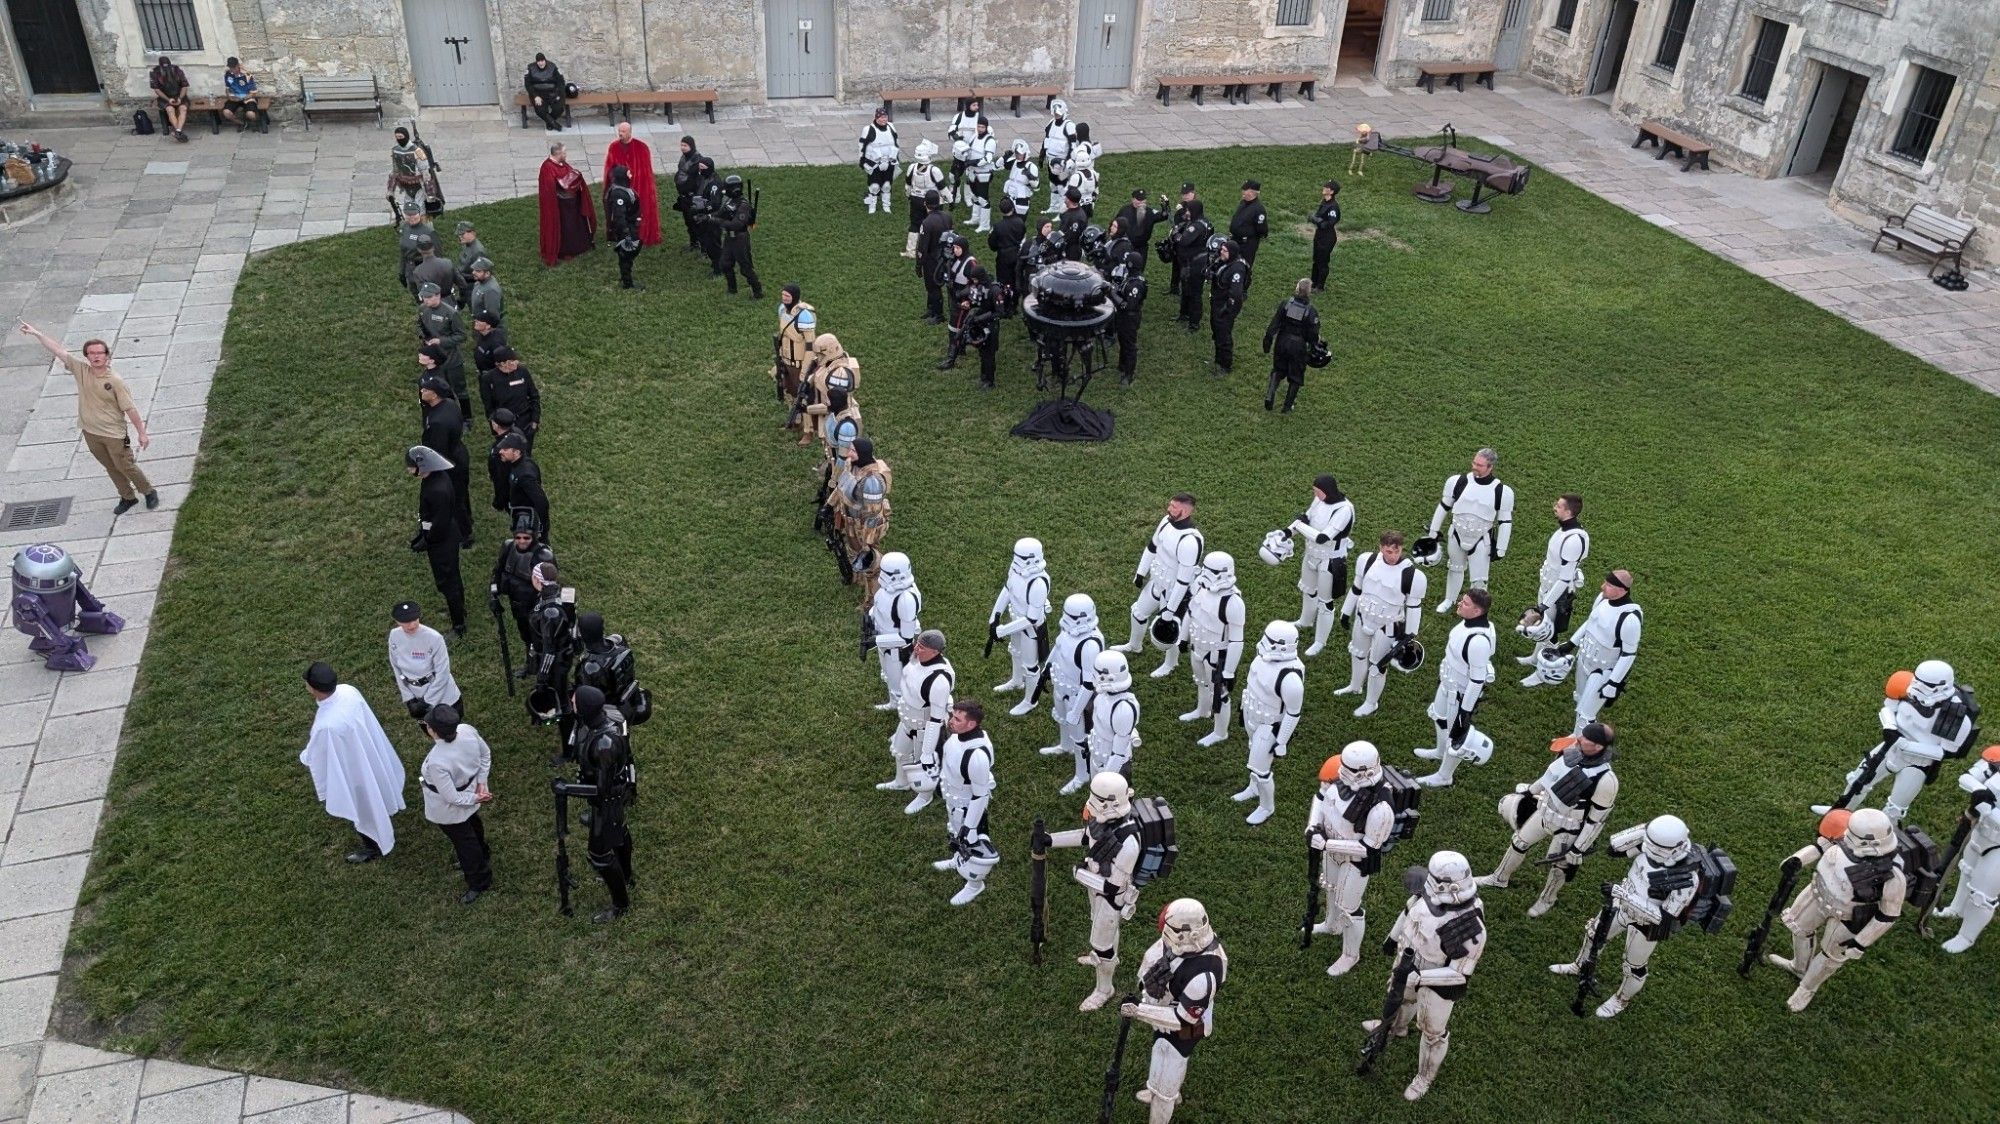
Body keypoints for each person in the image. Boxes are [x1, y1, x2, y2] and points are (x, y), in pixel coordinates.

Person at [1549, 814, 1701, 1017]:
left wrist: (1624, 894)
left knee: (1633, 966)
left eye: (1657, 847)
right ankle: (1579, 966)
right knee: (1593, 934)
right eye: (1649, 842)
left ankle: (1622, 999)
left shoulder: (1687, 877)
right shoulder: (1649, 849)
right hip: (1620, 904)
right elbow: (1613, 848)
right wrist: (1645, 830)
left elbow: (1665, 917)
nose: (1650, 849)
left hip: (1646, 923)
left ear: (1676, 848)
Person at [1370, 851, 1488, 1102]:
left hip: (1437, 978)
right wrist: (1392, 939)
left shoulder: (1470, 926)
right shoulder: (1428, 891)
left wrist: (1421, 977)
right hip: (1409, 959)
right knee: (1400, 997)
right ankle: (1396, 1028)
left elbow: (1459, 973)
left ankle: (1424, 1077)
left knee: (1433, 1032)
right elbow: (1408, 912)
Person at [1766, 807, 1906, 1011]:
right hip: (1818, 893)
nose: (1846, 838)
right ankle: (1799, 966)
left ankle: (1806, 989)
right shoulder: (1849, 835)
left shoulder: (1893, 875)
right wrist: (1797, 860)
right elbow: (1820, 845)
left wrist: (1861, 942)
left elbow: (1887, 915)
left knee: (1831, 955)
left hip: (1849, 915)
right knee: (1799, 929)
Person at [1476, 722, 1621, 917]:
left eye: (1585, 738)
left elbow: (1596, 820)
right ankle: (1499, 878)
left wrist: (1578, 848)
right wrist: (1528, 793)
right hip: (1544, 812)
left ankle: (1547, 899)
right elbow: (1548, 778)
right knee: (1519, 842)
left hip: (1569, 828)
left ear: (1598, 747)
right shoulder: (1570, 751)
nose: (1579, 739)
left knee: (1559, 866)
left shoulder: (1606, 780)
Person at [1812, 660, 1979, 823]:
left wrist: (1906, 745)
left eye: (1925, 685)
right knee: (1858, 780)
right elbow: (1888, 708)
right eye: (1917, 681)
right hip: (1891, 746)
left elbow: (1945, 752)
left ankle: (1881, 837)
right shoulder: (1906, 686)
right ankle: (1838, 813)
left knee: (1895, 808)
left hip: (1918, 762)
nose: (1917, 688)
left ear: (1942, 687)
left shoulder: (1957, 716)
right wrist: (1890, 726)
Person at [17, 324, 156, 514]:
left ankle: (148, 491)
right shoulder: (81, 370)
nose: (96, 356)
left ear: (107, 356)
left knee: (126, 466)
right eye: (92, 353)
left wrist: (142, 433)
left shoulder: (115, 381)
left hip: (113, 434)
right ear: (87, 356)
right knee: (110, 467)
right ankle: (127, 497)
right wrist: (37, 334)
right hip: (90, 432)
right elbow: (58, 350)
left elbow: (130, 408)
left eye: (100, 353)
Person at [1036, 772, 1144, 1011]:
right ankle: (1106, 958)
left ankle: (1105, 988)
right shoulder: (1104, 820)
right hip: (1095, 886)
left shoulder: (1129, 842)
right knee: (1099, 926)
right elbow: (1087, 837)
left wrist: (1080, 874)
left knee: (1101, 942)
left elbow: (1114, 885)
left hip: (1111, 897)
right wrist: (1050, 840)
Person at [1121, 898, 1228, 1124]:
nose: (1164, 940)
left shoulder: (1204, 975)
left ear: (1189, 934)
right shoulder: (1179, 944)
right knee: (1159, 1049)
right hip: (1165, 1012)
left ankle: (1165, 1096)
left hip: (1186, 1026)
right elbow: (1155, 958)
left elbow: (1184, 1019)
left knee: (1169, 1060)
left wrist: (1139, 1011)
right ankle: (1158, 1088)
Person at [299, 662, 406, 864]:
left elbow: (318, 755)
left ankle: (373, 845)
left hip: (354, 768)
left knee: (364, 806)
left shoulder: (326, 725)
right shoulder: (348, 690)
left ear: (313, 689)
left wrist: (305, 756)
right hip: (367, 750)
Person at [1306, 742, 1398, 977]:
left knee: (1349, 907)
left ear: (1365, 772)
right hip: (1330, 848)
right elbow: (1320, 797)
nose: (1341, 774)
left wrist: (1327, 844)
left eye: (1347, 771)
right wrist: (1313, 827)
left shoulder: (1381, 807)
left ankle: (1350, 955)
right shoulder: (1341, 775)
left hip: (1355, 861)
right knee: (1329, 888)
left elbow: (1369, 847)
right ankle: (1330, 924)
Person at [1524, 570, 1642, 737]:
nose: (1603, 587)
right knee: (1580, 698)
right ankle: (1576, 735)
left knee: (1587, 713)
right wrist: (1571, 643)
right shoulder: (1602, 599)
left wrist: (1614, 683)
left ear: (1622, 590)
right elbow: (1591, 621)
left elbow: (1628, 654)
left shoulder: (1630, 619)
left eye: (1608, 585)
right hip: (1584, 658)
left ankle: (1583, 744)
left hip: (1603, 670)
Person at [565, 685, 637, 922]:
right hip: (612, 798)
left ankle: (620, 904)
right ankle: (626, 875)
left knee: (599, 855)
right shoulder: (604, 721)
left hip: (608, 802)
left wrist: (566, 789)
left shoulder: (604, 744)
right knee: (619, 831)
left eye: (575, 702)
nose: (572, 704)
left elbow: (601, 790)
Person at [1336, 531, 1427, 718]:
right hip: (1363, 617)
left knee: (1378, 666)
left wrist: (1409, 635)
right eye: (1388, 551)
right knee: (1358, 653)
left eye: (1396, 551)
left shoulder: (1413, 575)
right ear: (1380, 547)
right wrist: (1345, 611)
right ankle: (1355, 686)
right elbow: (1356, 588)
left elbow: (1414, 606)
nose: (1392, 555)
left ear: (1401, 548)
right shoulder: (1366, 560)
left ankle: (1371, 703)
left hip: (1388, 626)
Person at [1412, 590, 1497, 788]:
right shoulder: (1468, 624)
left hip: (1460, 693)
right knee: (1438, 715)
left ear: (1477, 610)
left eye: (1465, 603)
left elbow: (1477, 680)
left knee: (1456, 735)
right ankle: (1440, 751)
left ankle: (1444, 776)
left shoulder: (1478, 641)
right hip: (1448, 683)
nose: (1459, 604)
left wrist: (1465, 713)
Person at [1117, 494, 1203, 677]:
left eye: (1174, 506)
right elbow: (1152, 547)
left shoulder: (1190, 541)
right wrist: (1140, 572)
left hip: (1174, 591)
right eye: (1170, 505)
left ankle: (1171, 662)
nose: (1169, 509)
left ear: (1186, 510)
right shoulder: (1165, 522)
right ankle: (1135, 645)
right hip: (1156, 581)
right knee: (1138, 612)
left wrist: (1170, 610)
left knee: (1170, 628)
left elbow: (1183, 580)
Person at [417, 703, 493, 904]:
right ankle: (483, 852)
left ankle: (479, 880)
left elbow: (451, 798)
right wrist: (481, 784)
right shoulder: (467, 730)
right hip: (471, 790)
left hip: (450, 808)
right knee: (474, 825)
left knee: (464, 842)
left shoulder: (436, 761)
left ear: (433, 731)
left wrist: (476, 797)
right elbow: (485, 755)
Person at [1231, 621, 1305, 825]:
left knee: (1260, 769)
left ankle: (1266, 806)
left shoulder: (1290, 678)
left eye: (1270, 640)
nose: (1264, 643)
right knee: (1251, 751)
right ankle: (1253, 788)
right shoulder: (1263, 659)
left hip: (1270, 724)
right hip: (1252, 714)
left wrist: (1281, 741)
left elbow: (1293, 713)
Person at [1426, 448, 1516, 613]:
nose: (1475, 466)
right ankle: (1449, 600)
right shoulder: (1457, 481)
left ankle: (1477, 609)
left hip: (1481, 538)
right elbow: (1444, 506)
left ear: (1490, 467)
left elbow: (1505, 521)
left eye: (1480, 465)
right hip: (1457, 534)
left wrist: (1501, 548)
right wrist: (1433, 532)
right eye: (1474, 462)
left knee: (1480, 579)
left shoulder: (1502, 491)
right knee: (1455, 568)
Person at [878, 629, 954, 814]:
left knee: (923, 765)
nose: (916, 649)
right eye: (917, 644)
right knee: (900, 752)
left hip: (924, 727)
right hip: (907, 719)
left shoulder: (939, 680)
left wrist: (928, 752)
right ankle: (901, 782)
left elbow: (935, 720)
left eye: (922, 647)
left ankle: (924, 796)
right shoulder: (917, 658)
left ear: (936, 652)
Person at [1279, 474, 1355, 657]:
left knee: (1325, 602)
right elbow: (1306, 518)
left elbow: (1323, 537)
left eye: (1318, 491)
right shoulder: (1319, 501)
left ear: (1327, 491)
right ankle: (1305, 621)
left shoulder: (1344, 510)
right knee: (1308, 589)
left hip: (1330, 559)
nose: (1316, 494)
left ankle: (1320, 641)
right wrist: (1285, 533)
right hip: (1311, 554)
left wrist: (1298, 526)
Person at [1933, 748, 2000, 952]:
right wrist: (1979, 791)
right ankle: (1956, 908)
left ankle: (1966, 936)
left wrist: (1988, 810)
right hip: (1979, 831)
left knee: (1982, 894)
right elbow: (1967, 777)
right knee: (1967, 870)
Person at [1040, 594, 1107, 793]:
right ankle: (1064, 745)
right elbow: (1059, 647)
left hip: (1078, 694)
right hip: (1061, 685)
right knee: (1061, 719)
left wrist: (1077, 710)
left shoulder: (1090, 644)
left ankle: (1082, 773)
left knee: (1080, 737)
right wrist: (1046, 670)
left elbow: (1089, 683)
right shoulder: (1069, 632)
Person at [933, 700, 998, 905]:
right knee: (954, 830)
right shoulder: (957, 737)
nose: (951, 721)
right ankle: (956, 859)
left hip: (969, 806)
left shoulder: (977, 756)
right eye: (952, 716)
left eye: (957, 719)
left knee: (972, 842)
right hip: (954, 799)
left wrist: (970, 827)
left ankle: (975, 885)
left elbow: (981, 795)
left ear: (971, 725)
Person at [1179, 552, 1246, 749]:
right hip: (1197, 646)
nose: (1207, 574)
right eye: (1206, 569)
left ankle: (1220, 732)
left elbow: (1236, 639)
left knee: (1219, 693)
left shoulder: (1233, 602)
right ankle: (1202, 710)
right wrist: (1183, 638)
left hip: (1216, 653)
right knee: (1201, 682)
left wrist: (1230, 670)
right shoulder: (1200, 588)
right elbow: (1190, 613)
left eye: (1213, 571)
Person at [1516, 494, 1589, 662]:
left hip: (1557, 592)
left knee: (1549, 628)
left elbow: (1564, 579)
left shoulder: (1573, 540)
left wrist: (1545, 604)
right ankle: (1536, 658)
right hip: (1548, 585)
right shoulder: (1564, 530)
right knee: (1545, 625)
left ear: (1569, 511)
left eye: (1559, 505)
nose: (1554, 507)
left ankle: (1547, 665)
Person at [407, 446, 467, 637]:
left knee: (448, 582)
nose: (408, 469)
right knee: (452, 580)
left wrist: (428, 540)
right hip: (444, 536)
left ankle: (459, 624)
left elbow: (438, 524)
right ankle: (458, 610)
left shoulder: (437, 489)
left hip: (442, 543)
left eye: (410, 466)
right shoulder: (436, 479)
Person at [988, 538, 1051, 712]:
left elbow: (1031, 618)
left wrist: (1003, 630)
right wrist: (994, 616)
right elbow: (1008, 589)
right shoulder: (1016, 569)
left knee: (1030, 666)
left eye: (1022, 558)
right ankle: (1016, 681)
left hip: (1031, 629)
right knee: (1014, 651)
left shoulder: (1038, 582)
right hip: (1015, 619)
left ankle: (1031, 700)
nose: (1017, 562)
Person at [417, 376, 473, 546]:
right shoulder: (449, 404)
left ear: (434, 395)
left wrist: (427, 469)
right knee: (461, 495)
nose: (421, 392)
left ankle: (465, 534)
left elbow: (437, 451)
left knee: (453, 500)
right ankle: (467, 522)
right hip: (458, 454)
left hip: (448, 463)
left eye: (425, 390)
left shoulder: (437, 422)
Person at [866, 552, 923, 712]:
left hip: (896, 649)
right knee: (887, 675)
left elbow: (906, 637)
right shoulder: (887, 590)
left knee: (898, 684)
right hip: (883, 640)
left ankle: (902, 715)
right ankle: (893, 702)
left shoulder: (906, 599)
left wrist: (875, 641)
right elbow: (879, 607)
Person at [491, 513, 554, 656]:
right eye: (518, 537)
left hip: (535, 609)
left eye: (526, 538)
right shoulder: (508, 547)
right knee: (525, 636)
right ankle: (530, 661)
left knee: (540, 639)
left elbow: (551, 588)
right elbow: (497, 573)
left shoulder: (543, 556)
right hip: (517, 604)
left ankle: (542, 666)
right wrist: (493, 596)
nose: (521, 541)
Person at [839, 436, 894, 601]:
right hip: (852, 521)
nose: (848, 453)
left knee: (870, 563)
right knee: (852, 551)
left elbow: (872, 513)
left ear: (862, 453)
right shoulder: (856, 466)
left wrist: (867, 542)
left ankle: (871, 600)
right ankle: (857, 578)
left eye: (853, 451)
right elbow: (840, 486)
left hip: (866, 526)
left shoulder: (871, 482)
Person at [388, 600, 460, 725]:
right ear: (397, 622)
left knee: (452, 731)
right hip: (416, 696)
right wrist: (409, 699)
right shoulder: (394, 636)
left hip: (442, 696)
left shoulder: (434, 638)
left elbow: (443, 673)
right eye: (406, 622)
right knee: (430, 731)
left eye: (414, 619)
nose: (411, 625)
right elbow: (397, 669)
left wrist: (427, 702)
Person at [1074, 649, 1140, 780]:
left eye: (1097, 674)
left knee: (1112, 797)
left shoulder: (1123, 709)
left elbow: (1118, 753)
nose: (1094, 677)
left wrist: (1106, 778)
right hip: (1097, 752)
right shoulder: (1103, 696)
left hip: (1113, 764)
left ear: (1108, 678)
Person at [1260, 279, 1319, 411]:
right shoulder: (1311, 311)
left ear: (1297, 289)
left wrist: (1267, 342)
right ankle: (1287, 406)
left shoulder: (1285, 304)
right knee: (1296, 376)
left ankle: (1270, 395)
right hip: (1298, 346)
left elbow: (1273, 325)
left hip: (1282, 341)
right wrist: (1313, 347)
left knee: (1278, 369)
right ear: (1309, 292)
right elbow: (1313, 334)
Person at [602, 120, 662, 245]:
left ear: (630, 132)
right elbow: (610, 168)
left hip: (637, 187)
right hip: (619, 187)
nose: (620, 134)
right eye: (619, 131)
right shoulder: (614, 147)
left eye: (623, 131)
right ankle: (621, 235)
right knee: (620, 213)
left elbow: (645, 172)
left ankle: (639, 234)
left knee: (637, 212)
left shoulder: (642, 148)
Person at [538, 143, 596, 266]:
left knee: (575, 226)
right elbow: (550, 190)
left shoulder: (562, 163)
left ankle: (579, 247)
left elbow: (569, 173)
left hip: (572, 204)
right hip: (560, 208)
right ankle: (565, 251)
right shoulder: (547, 168)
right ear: (558, 154)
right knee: (566, 229)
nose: (566, 155)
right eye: (564, 153)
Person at [415, 287, 469, 417]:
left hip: (451, 359)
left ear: (437, 296)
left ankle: (467, 418)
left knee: (460, 390)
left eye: (428, 297)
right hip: (434, 359)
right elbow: (419, 325)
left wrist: (440, 341)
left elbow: (461, 335)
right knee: (438, 390)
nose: (425, 300)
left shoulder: (451, 313)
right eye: (424, 297)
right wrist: (424, 336)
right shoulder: (423, 309)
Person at [774, 285, 818, 429]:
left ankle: (808, 429)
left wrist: (805, 370)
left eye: (788, 296)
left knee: (803, 396)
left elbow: (810, 346)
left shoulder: (805, 315)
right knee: (789, 391)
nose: (784, 298)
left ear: (795, 296)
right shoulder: (782, 310)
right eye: (783, 295)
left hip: (800, 363)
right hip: (786, 360)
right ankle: (795, 420)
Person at [496, 432, 550, 544]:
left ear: (516, 452)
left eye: (505, 449)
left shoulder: (525, 475)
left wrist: (542, 530)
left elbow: (541, 502)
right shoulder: (518, 464)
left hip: (527, 519)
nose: (501, 451)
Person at [715, 175, 763, 298]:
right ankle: (732, 289)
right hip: (729, 238)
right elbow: (720, 214)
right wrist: (708, 217)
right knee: (725, 264)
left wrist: (718, 222)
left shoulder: (743, 205)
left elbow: (736, 225)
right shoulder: (730, 201)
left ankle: (757, 292)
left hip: (740, 239)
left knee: (745, 268)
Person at [480, 348, 540, 444]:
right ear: (503, 364)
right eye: (512, 361)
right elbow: (488, 405)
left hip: (524, 420)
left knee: (525, 450)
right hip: (504, 424)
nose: (516, 362)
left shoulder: (522, 372)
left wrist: (535, 421)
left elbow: (534, 396)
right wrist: (495, 425)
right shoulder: (488, 379)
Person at [1208, 239, 1249, 374]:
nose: (1221, 252)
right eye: (1222, 249)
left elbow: (1236, 294)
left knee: (1223, 334)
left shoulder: (1237, 268)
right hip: (1217, 300)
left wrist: (1228, 309)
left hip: (1225, 306)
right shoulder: (1226, 261)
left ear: (1231, 253)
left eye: (1225, 251)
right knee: (1216, 330)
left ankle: (1225, 365)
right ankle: (1218, 359)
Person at [902, 140, 947, 258]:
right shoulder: (934, 170)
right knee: (934, 224)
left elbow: (907, 185)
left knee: (915, 224)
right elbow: (943, 188)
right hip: (932, 201)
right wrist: (950, 200)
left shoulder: (911, 167)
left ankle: (910, 250)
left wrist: (909, 196)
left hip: (916, 199)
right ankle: (933, 249)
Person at [1170, 202, 1212, 330]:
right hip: (1193, 261)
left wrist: (1175, 234)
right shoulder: (1205, 222)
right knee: (1186, 289)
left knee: (1194, 293)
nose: (1186, 213)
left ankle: (1194, 323)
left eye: (1188, 210)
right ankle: (1184, 314)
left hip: (1195, 264)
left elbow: (1184, 240)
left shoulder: (1197, 226)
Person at [1109, 250, 1148, 386]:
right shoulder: (1130, 277)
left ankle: (1128, 374)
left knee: (1129, 345)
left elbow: (1129, 305)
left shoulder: (1136, 284)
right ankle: (1122, 364)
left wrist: (1114, 294)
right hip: (1123, 317)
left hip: (1130, 317)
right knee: (1122, 340)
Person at [604, 166, 645, 290]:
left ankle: (625, 276)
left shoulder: (622, 189)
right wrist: (627, 233)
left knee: (628, 253)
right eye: (628, 174)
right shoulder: (619, 195)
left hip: (631, 225)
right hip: (627, 228)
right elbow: (619, 216)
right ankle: (628, 283)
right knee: (627, 253)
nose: (631, 176)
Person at [916, 192, 953, 324]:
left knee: (932, 286)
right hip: (945, 256)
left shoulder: (927, 223)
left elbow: (922, 247)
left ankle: (938, 314)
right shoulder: (947, 216)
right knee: (934, 285)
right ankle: (931, 309)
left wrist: (919, 264)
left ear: (925, 203)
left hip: (932, 259)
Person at [987, 197, 1027, 316]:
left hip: (1003, 257)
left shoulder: (998, 226)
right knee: (1016, 280)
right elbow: (1023, 238)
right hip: (1017, 255)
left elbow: (992, 244)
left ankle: (1005, 305)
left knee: (1004, 282)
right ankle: (1014, 305)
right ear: (1013, 208)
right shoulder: (1020, 222)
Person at [858, 108, 900, 215]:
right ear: (876, 117)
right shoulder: (868, 129)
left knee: (886, 186)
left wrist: (896, 159)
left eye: (885, 117)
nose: (883, 119)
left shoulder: (891, 127)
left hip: (889, 162)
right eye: (881, 117)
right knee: (874, 186)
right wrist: (863, 162)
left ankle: (886, 206)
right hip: (874, 163)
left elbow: (896, 143)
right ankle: (872, 206)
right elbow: (861, 146)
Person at [1039, 99, 1079, 213]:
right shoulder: (1051, 123)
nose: (1056, 115)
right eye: (1055, 113)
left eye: (1058, 113)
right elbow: (1046, 140)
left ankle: (1063, 209)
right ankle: (1054, 207)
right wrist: (1042, 154)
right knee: (1053, 184)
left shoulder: (1069, 125)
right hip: (1050, 160)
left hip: (1062, 162)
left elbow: (1073, 146)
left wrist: (1069, 161)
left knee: (1062, 186)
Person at [961, 117, 998, 231]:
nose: (980, 129)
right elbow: (969, 149)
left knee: (983, 199)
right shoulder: (974, 136)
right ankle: (975, 218)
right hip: (973, 172)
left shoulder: (990, 141)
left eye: (982, 127)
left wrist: (973, 162)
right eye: (979, 126)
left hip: (984, 173)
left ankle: (985, 225)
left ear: (986, 127)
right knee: (975, 197)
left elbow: (987, 158)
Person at [485, 409, 525, 512]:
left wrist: (498, 503)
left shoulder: (500, 451)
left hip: (510, 489)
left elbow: (501, 481)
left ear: (496, 426)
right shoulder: (517, 432)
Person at [688, 156, 723, 270]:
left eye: (702, 168)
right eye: (699, 167)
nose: (700, 170)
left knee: (713, 243)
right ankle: (709, 255)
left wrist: (700, 209)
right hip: (704, 216)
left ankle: (718, 268)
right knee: (705, 239)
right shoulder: (703, 177)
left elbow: (715, 204)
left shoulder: (715, 183)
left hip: (713, 218)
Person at [945, 97, 982, 201]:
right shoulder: (959, 117)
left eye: (977, 105)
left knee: (971, 176)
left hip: (973, 152)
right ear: (968, 106)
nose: (976, 107)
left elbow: (985, 131)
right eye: (974, 105)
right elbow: (951, 129)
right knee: (953, 176)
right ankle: (954, 195)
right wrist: (956, 137)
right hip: (960, 152)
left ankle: (968, 197)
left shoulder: (979, 117)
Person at [1308, 180, 1342, 291]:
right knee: (1316, 260)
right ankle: (1313, 283)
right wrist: (1315, 219)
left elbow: (1330, 223)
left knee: (1323, 262)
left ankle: (1320, 286)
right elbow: (1319, 217)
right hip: (1319, 235)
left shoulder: (1333, 207)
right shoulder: (1324, 202)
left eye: (1327, 187)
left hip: (1327, 238)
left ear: (1331, 191)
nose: (1324, 187)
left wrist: (1317, 221)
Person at [395, 200, 437, 289]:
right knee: (415, 294)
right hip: (410, 269)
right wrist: (401, 272)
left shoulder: (428, 231)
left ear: (419, 214)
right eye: (408, 215)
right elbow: (403, 251)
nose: (411, 217)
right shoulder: (404, 227)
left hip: (424, 268)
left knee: (427, 296)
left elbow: (437, 254)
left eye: (414, 214)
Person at [672, 136, 704, 250]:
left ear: (691, 146)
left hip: (693, 197)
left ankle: (703, 246)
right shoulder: (684, 158)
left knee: (697, 222)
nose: (682, 148)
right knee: (689, 222)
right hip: (684, 197)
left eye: (685, 145)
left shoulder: (698, 161)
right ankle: (694, 242)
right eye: (681, 145)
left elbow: (699, 181)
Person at [1167, 183, 1200, 295]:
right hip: (1178, 238)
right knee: (1176, 263)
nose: (1185, 196)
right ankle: (1174, 287)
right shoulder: (1182, 205)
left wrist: (1183, 213)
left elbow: (1193, 222)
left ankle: (1186, 289)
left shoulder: (1196, 206)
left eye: (1187, 193)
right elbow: (1177, 220)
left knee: (1184, 265)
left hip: (1188, 239)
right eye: (1183, 194)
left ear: (1193, 193)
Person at [149, 55, 190, 142]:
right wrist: (168, 99)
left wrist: (180, 98)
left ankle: (178, 131)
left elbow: (184, 86)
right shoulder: (155, 73)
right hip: (165, 97)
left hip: (179, 95)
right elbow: (157, 90)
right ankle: (179, 132)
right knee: (170, 110)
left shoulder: (177, 71)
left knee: (183, 109)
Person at [523, 53, 569, 130]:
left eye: (542, 60)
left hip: (552, 92)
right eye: (539, 61)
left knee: (559, 108)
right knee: (540, 110)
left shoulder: (553, 66)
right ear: (536, 62)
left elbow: (561, 82)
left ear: (545, 60)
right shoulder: (530, 68)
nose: (541, 63)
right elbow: (528, 84)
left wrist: (558, 94)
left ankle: (550, 122)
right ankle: (554, 124)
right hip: (538, 93)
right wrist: (535, 96)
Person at [1229, 180, 1268, 267]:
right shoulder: (1243, 203)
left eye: (1245, 190)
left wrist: (1249, 235)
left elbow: (1262, 230)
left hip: (1246, 246)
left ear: (1251, 192)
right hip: (1236, 241)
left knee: (1243, 267)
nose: (1242, 192)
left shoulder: (1258, 209)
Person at [407, 236, 457, 303]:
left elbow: (421, 292)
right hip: (450, 301)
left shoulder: (418, 272)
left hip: (432, 305)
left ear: (419, 250)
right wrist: (461, 301)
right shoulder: (448, 263)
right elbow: (462, 284)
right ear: (433, 247)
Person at [1001, 139, 1040, 222]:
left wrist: (1030, 176)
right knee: (1007, 220)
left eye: (1020, 154)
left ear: (1025, 153)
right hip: (1010, 195)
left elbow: (1036, 186)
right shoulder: (1014, 162)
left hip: (1022, 198)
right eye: (1016, 153)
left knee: (1019, 221)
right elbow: (999, 166)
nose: (1017, 155)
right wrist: (1005, 157)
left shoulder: (1031, 166)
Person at [220, 58, 261, 130]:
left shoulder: (246, 74)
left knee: (250, 114)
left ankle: (257, 121)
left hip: (247, 98)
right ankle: (243, 123)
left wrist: (243, 98)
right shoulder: (228, 74)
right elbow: (227, 88)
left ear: (238, 65)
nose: (232, 70)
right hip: (235, 97)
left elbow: (253, 93)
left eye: (234, 67)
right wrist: (230, 97)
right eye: (230, 68)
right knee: (226, 112)